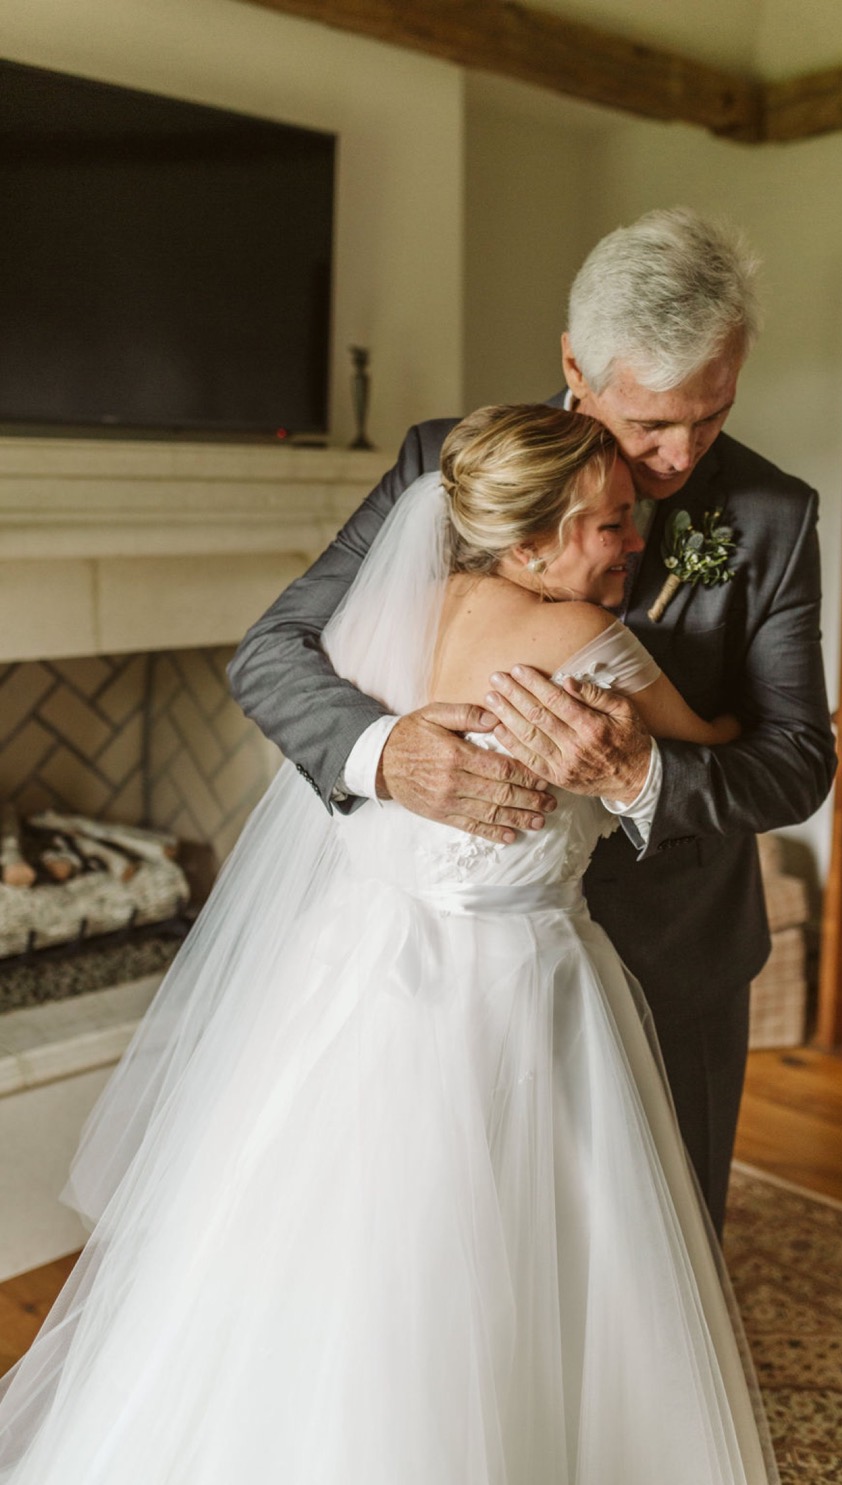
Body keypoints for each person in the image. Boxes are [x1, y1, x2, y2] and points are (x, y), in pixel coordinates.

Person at [0, 406, 778, 1483]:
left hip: (350, 970)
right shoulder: (581, 643)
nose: (634, 539)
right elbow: (723, 751)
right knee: (528, 1263)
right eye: (609, 525)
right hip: (518, 986)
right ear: (530, 544)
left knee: (314, 1262)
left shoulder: (382, 615)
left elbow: (304, 701)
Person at [227, 207, 837, 1237]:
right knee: (444, 1251)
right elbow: (271, 652)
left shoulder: (774, 517)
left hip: (672, 955)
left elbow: (796, 763)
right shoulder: (446, 460)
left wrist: (644, 774)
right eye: (649, 423)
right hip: (447, 967)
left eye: (713, 414)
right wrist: (387, 755)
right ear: (574, 363)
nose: (681, 455)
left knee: (661, 1262)